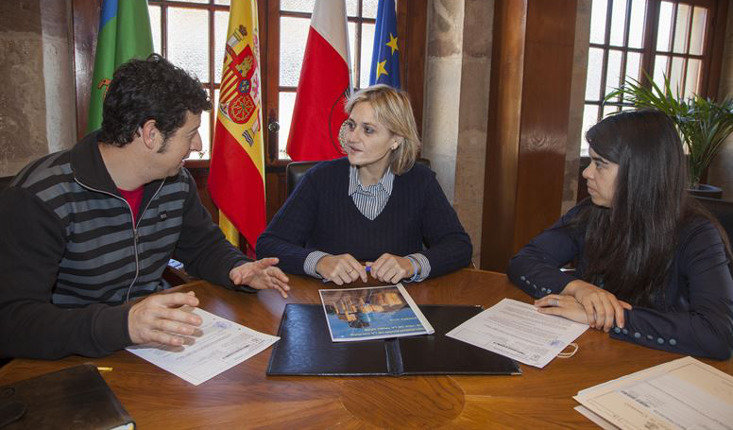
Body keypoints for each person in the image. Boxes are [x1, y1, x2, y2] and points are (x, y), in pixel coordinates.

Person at [0, 55, 290, 360]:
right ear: (151, 134)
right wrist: (124, 324)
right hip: (69, 356)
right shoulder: (41, 197)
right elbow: (13, 321)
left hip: (153, 348)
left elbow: (203, 246)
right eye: (190, 133)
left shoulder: (175, 182)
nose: (199, 145)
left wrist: (237, 268)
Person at [507, 110, 733, 360]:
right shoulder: (592, 212)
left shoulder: (698, 235)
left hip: (660, 368)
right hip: (597, 355)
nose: (586, 173)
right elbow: (524, 261)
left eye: (600, 164)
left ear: (640, 171)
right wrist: (577, 288)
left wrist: (611, 317)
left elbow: (716, 334)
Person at [257, 84, 472, 285]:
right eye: (351, 125)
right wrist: (319, 261)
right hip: (324, 300)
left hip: (398, 308)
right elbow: (268, 244)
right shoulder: (319, 179)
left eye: (368, 130)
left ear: (395, 139)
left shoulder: (421, 181)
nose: (352, 137)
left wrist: (411, 264)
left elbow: (459, 246)